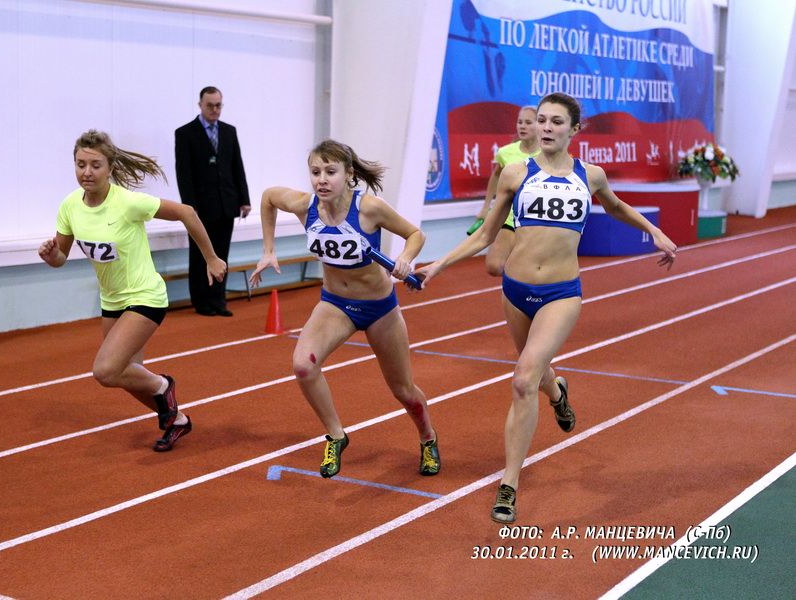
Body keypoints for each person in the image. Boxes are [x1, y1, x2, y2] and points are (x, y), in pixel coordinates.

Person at [414, 93, 676, 522]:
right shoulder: (516, 173)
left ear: (575, 129)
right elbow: (486, 235)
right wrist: (438, 265)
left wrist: (655, 232)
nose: (547, 128)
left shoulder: (590, 175)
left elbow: (616, 206)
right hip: (516, 290)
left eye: (556, 121)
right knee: (535, 374)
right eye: (542, 120)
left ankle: (509, 484)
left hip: (561, 294)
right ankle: (558, 393)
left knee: (522, 380)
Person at [250, 139, 440, 479]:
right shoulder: (304, 205)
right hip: (335, 304)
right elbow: (267, 198)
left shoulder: (369, 208)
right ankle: (336, 435)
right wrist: (268, 249)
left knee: (403, 390)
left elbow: (415, 234)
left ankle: (427, 438)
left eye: (330, 172)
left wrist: (405, 259)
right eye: (315, 172)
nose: (322, 180)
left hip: (379, 308)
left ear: (349, 174)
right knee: (303, 365)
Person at [39, 130, 226, 452]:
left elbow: (187, 212)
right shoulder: (70, 206)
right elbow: (60, 259)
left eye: (95, 165)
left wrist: (211, 257)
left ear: (110, 168)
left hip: (145, 296)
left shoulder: (128, 202)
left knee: (106, 370)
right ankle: (177, 419)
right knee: (126, 374)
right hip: (112, 301)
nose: (87, 172)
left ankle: (163, 385)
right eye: (81, 164)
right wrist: (50, 255)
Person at [174, 86, 250, 317]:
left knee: (221, 255)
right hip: (200, 208)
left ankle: (219, 300)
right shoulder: (185, 133)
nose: (215, 109)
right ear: (200, 105)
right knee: (199, 257)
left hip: (226, 203)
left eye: (218, 105)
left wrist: (244, 199)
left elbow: (237, 166)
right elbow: (183, 173)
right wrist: (189, 207)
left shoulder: (229, 131)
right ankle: (201, 302)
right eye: (210, 105)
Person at [477, 105, 539, 277]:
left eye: (528, 122)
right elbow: (496, 176)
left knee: (529, 269)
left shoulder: (548, 154)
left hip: (536, 219)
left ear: (540, 125)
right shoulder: (505, 152)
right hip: (510, 216)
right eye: (520, 122)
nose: (522, 126)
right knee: (494, 266)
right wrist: (486, 207)